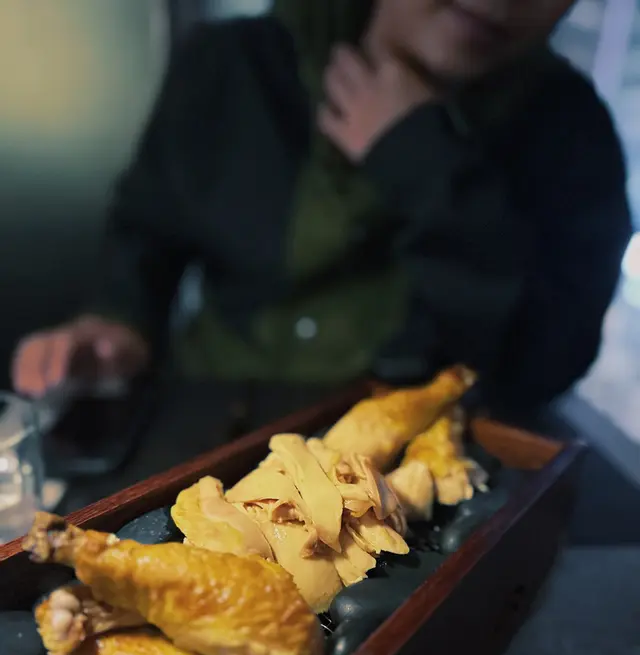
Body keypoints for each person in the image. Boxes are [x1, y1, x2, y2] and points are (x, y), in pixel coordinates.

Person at [12, 0, 631, 418]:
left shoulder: (571, 132)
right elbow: (148, 227)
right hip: (203, 420)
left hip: (417, 457)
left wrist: (425, 164)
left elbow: (544, 364)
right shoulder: (238, 62)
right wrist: (118, 324)